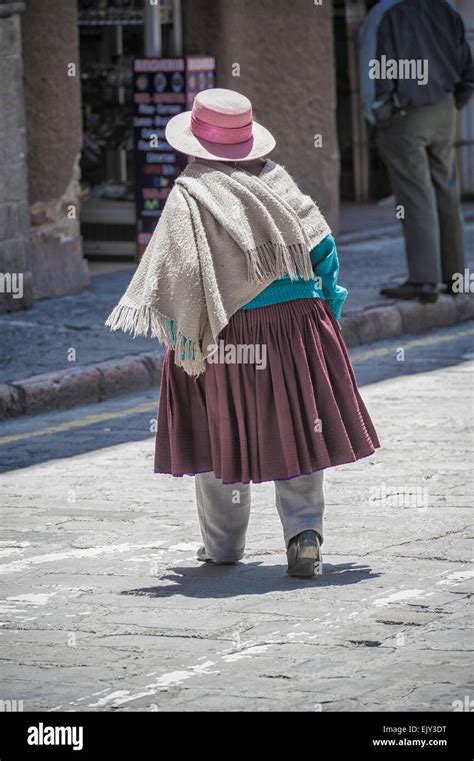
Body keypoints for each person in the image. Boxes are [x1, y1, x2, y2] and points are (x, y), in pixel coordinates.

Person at [106, 88, 380, 578]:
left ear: (194, 145)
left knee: (218, 431)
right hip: (296, 324)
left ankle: (223, 547)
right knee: (298, 428)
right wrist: (328, 314)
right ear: (251, 143)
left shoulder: (190, 195)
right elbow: (325, 255)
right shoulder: (279, 184)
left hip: (224, 334)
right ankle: (304, 536)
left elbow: (174, 275)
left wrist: (184, 332)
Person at [359, 0, 474, 303]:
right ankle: (456, 277)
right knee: (446, 189)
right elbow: (466, 62)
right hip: (444, 107)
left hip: (405, 113)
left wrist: (378, 115)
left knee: (415, 195)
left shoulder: (383, 13)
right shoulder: (447, 7)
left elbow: (372, 70)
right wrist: (455, 101)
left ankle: (425, 281)